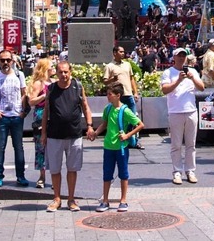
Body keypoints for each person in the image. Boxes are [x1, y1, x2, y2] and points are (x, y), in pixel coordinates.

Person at [42, 61, 93, 212]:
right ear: (56, 73)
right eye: (60, 72)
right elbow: (46, 112)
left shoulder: (77, 87)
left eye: (66, 72)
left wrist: (89, 125)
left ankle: (71, 199)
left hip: (74, 134)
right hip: (54, 135)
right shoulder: (51, 89)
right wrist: (43, 133)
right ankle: (57, 198)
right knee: (55, 169)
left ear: (70, 72)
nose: (63, 75)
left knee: (72, 169)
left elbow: (85, 106)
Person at [91, 82, 144, 213]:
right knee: (107, 174)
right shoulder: (108, 109)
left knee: (123, 174)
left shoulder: (125, 110)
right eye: (107, 94)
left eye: (110, 94)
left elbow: (140, 124)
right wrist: (96, 133)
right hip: (108, 146)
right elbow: (105, 123)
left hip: (121, 147)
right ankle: (105, 201)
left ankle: (123, 200)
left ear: (118, 95)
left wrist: (127, 135)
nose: (107, 97)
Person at [160, 47, 204, 184]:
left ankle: (190, 170)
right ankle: (177, 171)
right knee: (176, 144)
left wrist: (192, 78)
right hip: (175, 111)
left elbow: (202, 87)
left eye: (183, 55)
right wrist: (178, 80)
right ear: (174, 57)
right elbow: (164, 90)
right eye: (179, 55)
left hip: (191, 110)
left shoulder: (192, 71)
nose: (181, 58)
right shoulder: (168, 72)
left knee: (191, 144)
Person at [0, 49, 30, 189]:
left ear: (12, 61)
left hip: (17, 116)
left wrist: (23, 111)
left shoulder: (20, 75)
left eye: (8, 60)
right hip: (2, 117)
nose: (5, 63)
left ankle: (21, 176)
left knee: (19, 147)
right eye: (3, 60)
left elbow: (24, 93)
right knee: (0, 147)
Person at [104, 45, 141, 149]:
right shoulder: (109, 66)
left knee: (133, 119)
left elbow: (131, 79)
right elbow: (105, 81)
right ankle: (122, 139)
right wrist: (112, 79)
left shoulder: (127, 65)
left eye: (123, 52)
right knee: (118, 119)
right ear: (114, 53)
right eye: (120, 52)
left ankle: (132, 140)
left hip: (128, 94)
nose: (123, 54)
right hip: (117, 97)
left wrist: (135, 92)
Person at [28, 57, 53, 189]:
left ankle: (55, 176)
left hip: (54, 115)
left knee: (54, 147)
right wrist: (45, 95)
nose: (53, 68)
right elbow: (31, 101)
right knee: (40, 147)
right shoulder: (39, 83)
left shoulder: (54, 82)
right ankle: (42, 176)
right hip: (40, 114)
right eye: (51, 66)